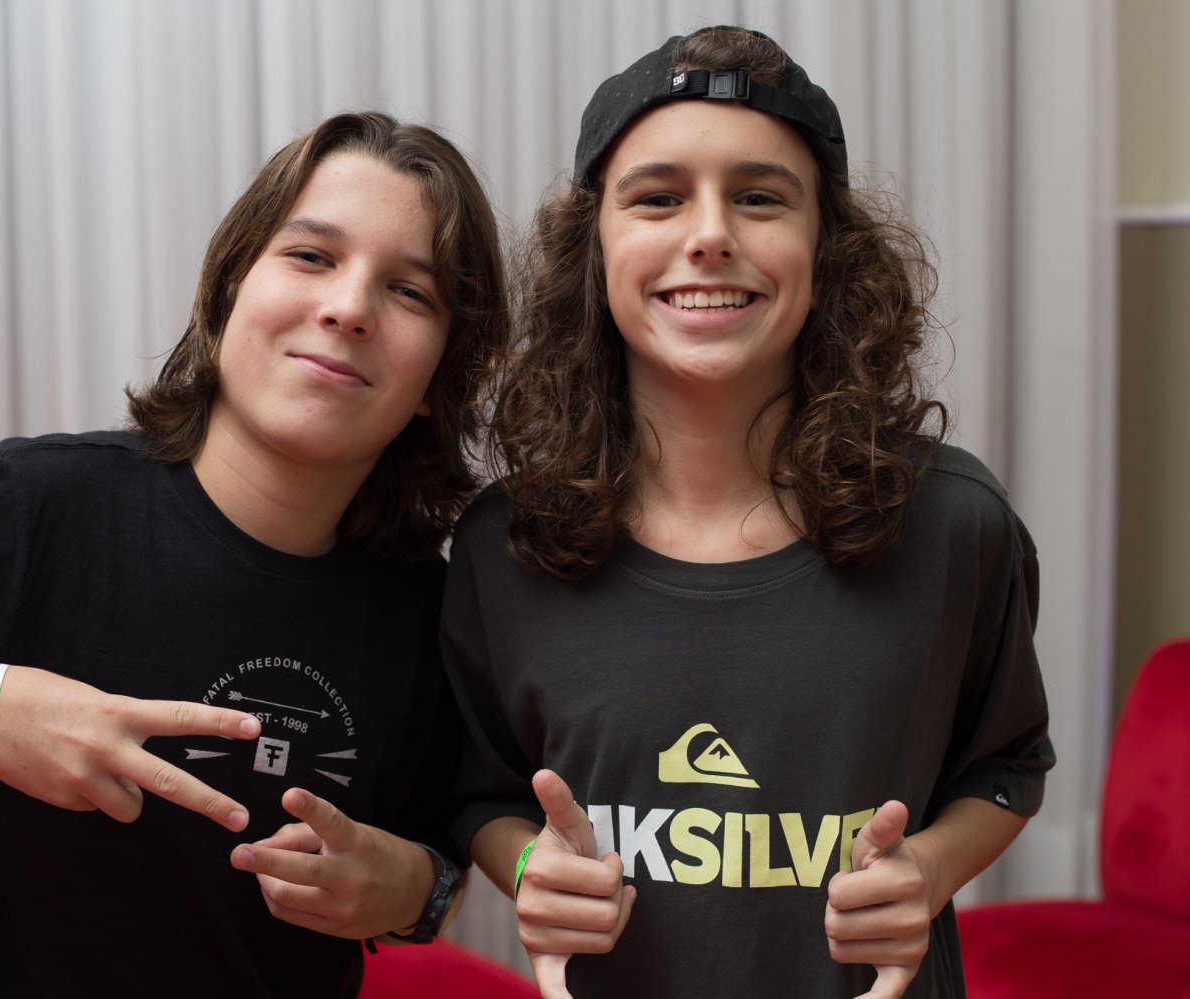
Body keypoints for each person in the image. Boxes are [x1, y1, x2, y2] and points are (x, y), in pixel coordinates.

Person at [0, 111, 508, 997]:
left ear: (438, 380)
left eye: (409, 292)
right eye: (311, 255)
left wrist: (413, 891)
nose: (348, 308)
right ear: (228, 289)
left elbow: (438, 858)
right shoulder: (36, 507)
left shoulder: (428, 609)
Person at [442, 26, 1053, 999]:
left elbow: (1008, 763)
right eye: (658, 197)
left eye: (761, 197)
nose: (710, 234)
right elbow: (482, 790)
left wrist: (930, 871)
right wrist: (527, 868)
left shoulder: (954, 524)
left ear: (827, 248)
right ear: (593, 247)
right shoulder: (503, 544)